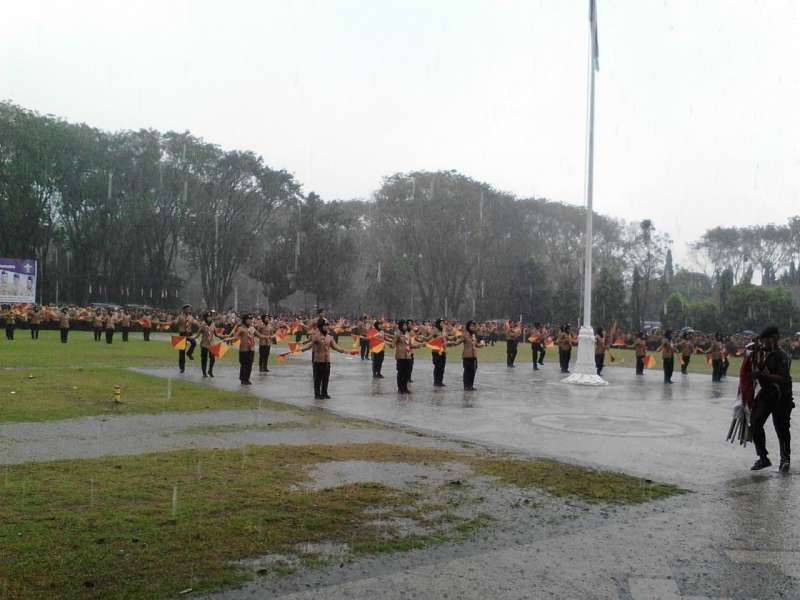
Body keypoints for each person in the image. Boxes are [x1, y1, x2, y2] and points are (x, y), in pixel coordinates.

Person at [750, 325, 794, 473]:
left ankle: (785, 459)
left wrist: (761, 375)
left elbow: (782, 378)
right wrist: (755, 354)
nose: (763, 344)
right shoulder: (766, 353)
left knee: (781, 428)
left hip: (782, 397)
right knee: (755, 422)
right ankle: (763, 457)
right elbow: (759, 367)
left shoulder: (782, 356)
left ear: (774, 338)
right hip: (768, 394)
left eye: (766, 340)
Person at [300, 318, 351, 399]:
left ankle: (324, 393)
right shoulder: (316, 336)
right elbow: (310, 345)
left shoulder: (329, 337)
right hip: (318, 361)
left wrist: (344, 351)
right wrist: (302, 349)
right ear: (320, 326)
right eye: (325, 325)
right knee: (317, 379)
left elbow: (335, 346)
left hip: (327, 361)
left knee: (325, 378)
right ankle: (317, 394)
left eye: (327, 325)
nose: (327, 327)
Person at [229, 314, 258, 385]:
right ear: (245, 320)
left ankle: (247, 379)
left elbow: (259, 335)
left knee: (250, 365)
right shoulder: (241, 328)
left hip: (251, 349)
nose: (250, 321)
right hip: (244, 350)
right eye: (249, 319)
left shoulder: (252, 328)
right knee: (244, 365)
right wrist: (229, 339)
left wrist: (269, 337)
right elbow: (235, 337)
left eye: (251, 319)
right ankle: (243, 379)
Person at [174, 304, 197, 373]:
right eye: (187, 309)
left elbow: (195, 322)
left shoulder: (190, 317)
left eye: (189, 309)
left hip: (189, 333)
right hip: (182, 334)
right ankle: (182, 367)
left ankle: (189, 353)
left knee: (194, 343)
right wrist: (175, 322)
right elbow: (176, 321)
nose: (188, 310)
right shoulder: (180, 317)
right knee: (181, 351)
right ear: (184, 310)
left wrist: (200, 325)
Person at [460, 320, 483, 390]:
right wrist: (450, 343)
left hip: (474, 356)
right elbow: (458, 341)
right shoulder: (465, 334)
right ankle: (466, 386)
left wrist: (481, 344)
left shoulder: (474, 336)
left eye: (474, 326)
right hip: (467, 356)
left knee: (473, 371)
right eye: (471, 326)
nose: (473, 327)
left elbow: (476, 345)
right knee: (467, 371)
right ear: (468, 327)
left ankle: (471, 385)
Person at [198, 311, 221, 378]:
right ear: (205, 317)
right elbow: (198, 334)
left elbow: (216, 334)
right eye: (208, 317)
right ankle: (204, 372)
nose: (209, 318)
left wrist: (223, 336)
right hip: (204, 344)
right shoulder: (203, 324)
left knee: (212, 359)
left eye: (210, 316)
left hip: (211, 344)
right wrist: (191, 337)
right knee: (204, 359)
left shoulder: (213, 324)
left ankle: (210, 370)